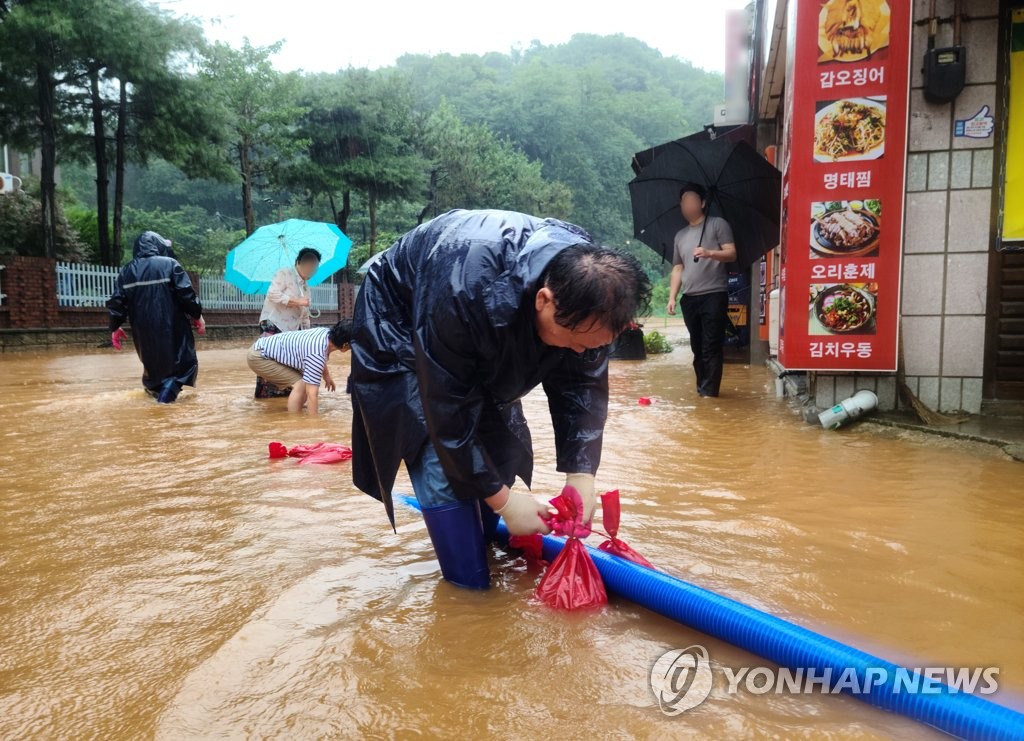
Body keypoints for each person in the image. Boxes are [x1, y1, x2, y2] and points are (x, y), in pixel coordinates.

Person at [349, 209, 651, 590]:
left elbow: (583, 386)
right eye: (575, 341)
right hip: (401, 319)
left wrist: (582, 472)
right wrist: (505, 503)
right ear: (544, 300)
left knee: (499, 437)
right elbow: (447, 408)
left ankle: (482, 538)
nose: (581, 353)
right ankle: (467, 589)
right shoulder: (462, 283)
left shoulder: (592, 292)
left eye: (592, 346)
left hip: (486, 307)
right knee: (434, 445)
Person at [108, 231, 205, 404]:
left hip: (142, 331)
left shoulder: (127, 271)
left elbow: (117, 302)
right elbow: (187, 295)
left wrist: (115, 327)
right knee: (181, 366)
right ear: (158, 246)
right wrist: (197, 315)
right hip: (172, 327)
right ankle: (163, 405)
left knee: (153, 370)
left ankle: (156, 405)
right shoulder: (170, 264)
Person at [666, 183, 737, 398]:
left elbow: (731, 253)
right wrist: (672, 297)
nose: (687, 204)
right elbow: (678, 267)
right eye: (683, 201)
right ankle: (702, 388)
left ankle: (709, 393)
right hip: (689, 298)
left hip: (714, 294)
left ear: (703, 203)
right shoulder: (680, 236)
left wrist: (709, 253)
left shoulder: (717, 225)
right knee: (697, 348)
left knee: (711, 345)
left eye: (691, 200)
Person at [254, 247, 322, 399]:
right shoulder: (285, 273)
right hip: (273, 323)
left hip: (292, 331)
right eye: (309, 265)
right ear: (298, 263)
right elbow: (272, 294)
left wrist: (307, 335)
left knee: (290, 364)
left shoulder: (305, 288)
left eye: (315, 267)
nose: (311, 269)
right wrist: (297, 301)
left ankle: (286, 396)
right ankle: (266, 398)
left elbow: (304, 316)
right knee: (269, 361)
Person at [246, 321, 351, 415]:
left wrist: (327, 376)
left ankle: (296, 411)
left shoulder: (326, 333)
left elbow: (319, 355)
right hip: (260, 356)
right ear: (345, 345)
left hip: (263, 348)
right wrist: (314, 425)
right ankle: (294, 419)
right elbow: (312, 395)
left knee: (305, 383)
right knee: (301, 384)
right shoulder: (316, 354)